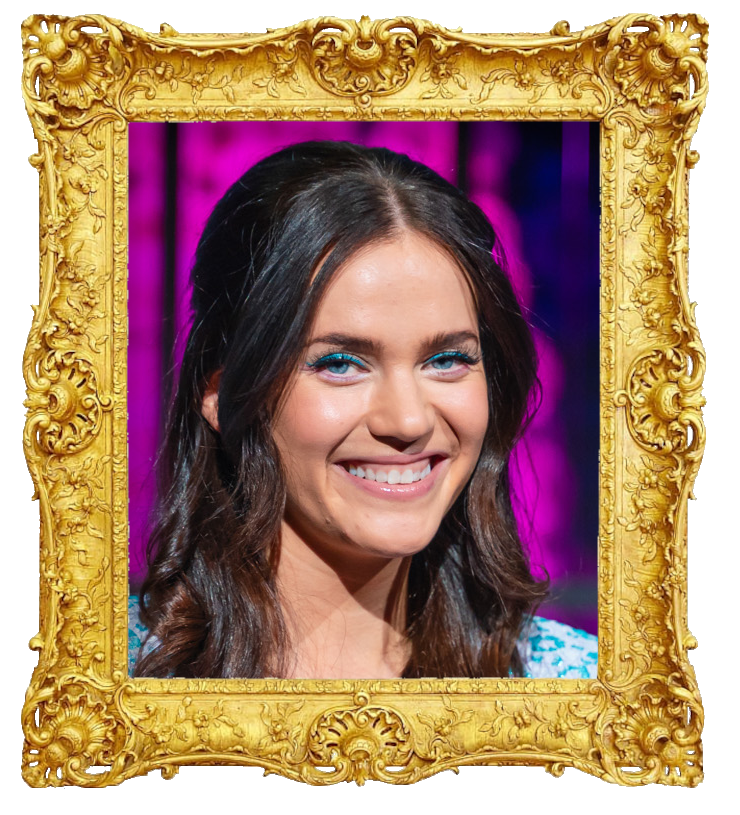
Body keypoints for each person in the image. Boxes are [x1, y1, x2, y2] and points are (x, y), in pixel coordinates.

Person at [131, 140, 597, 680]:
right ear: (220, 393)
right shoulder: (98, 690)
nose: (408, 421)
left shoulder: (575, 688)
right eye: (341, 364)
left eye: (446, 359)